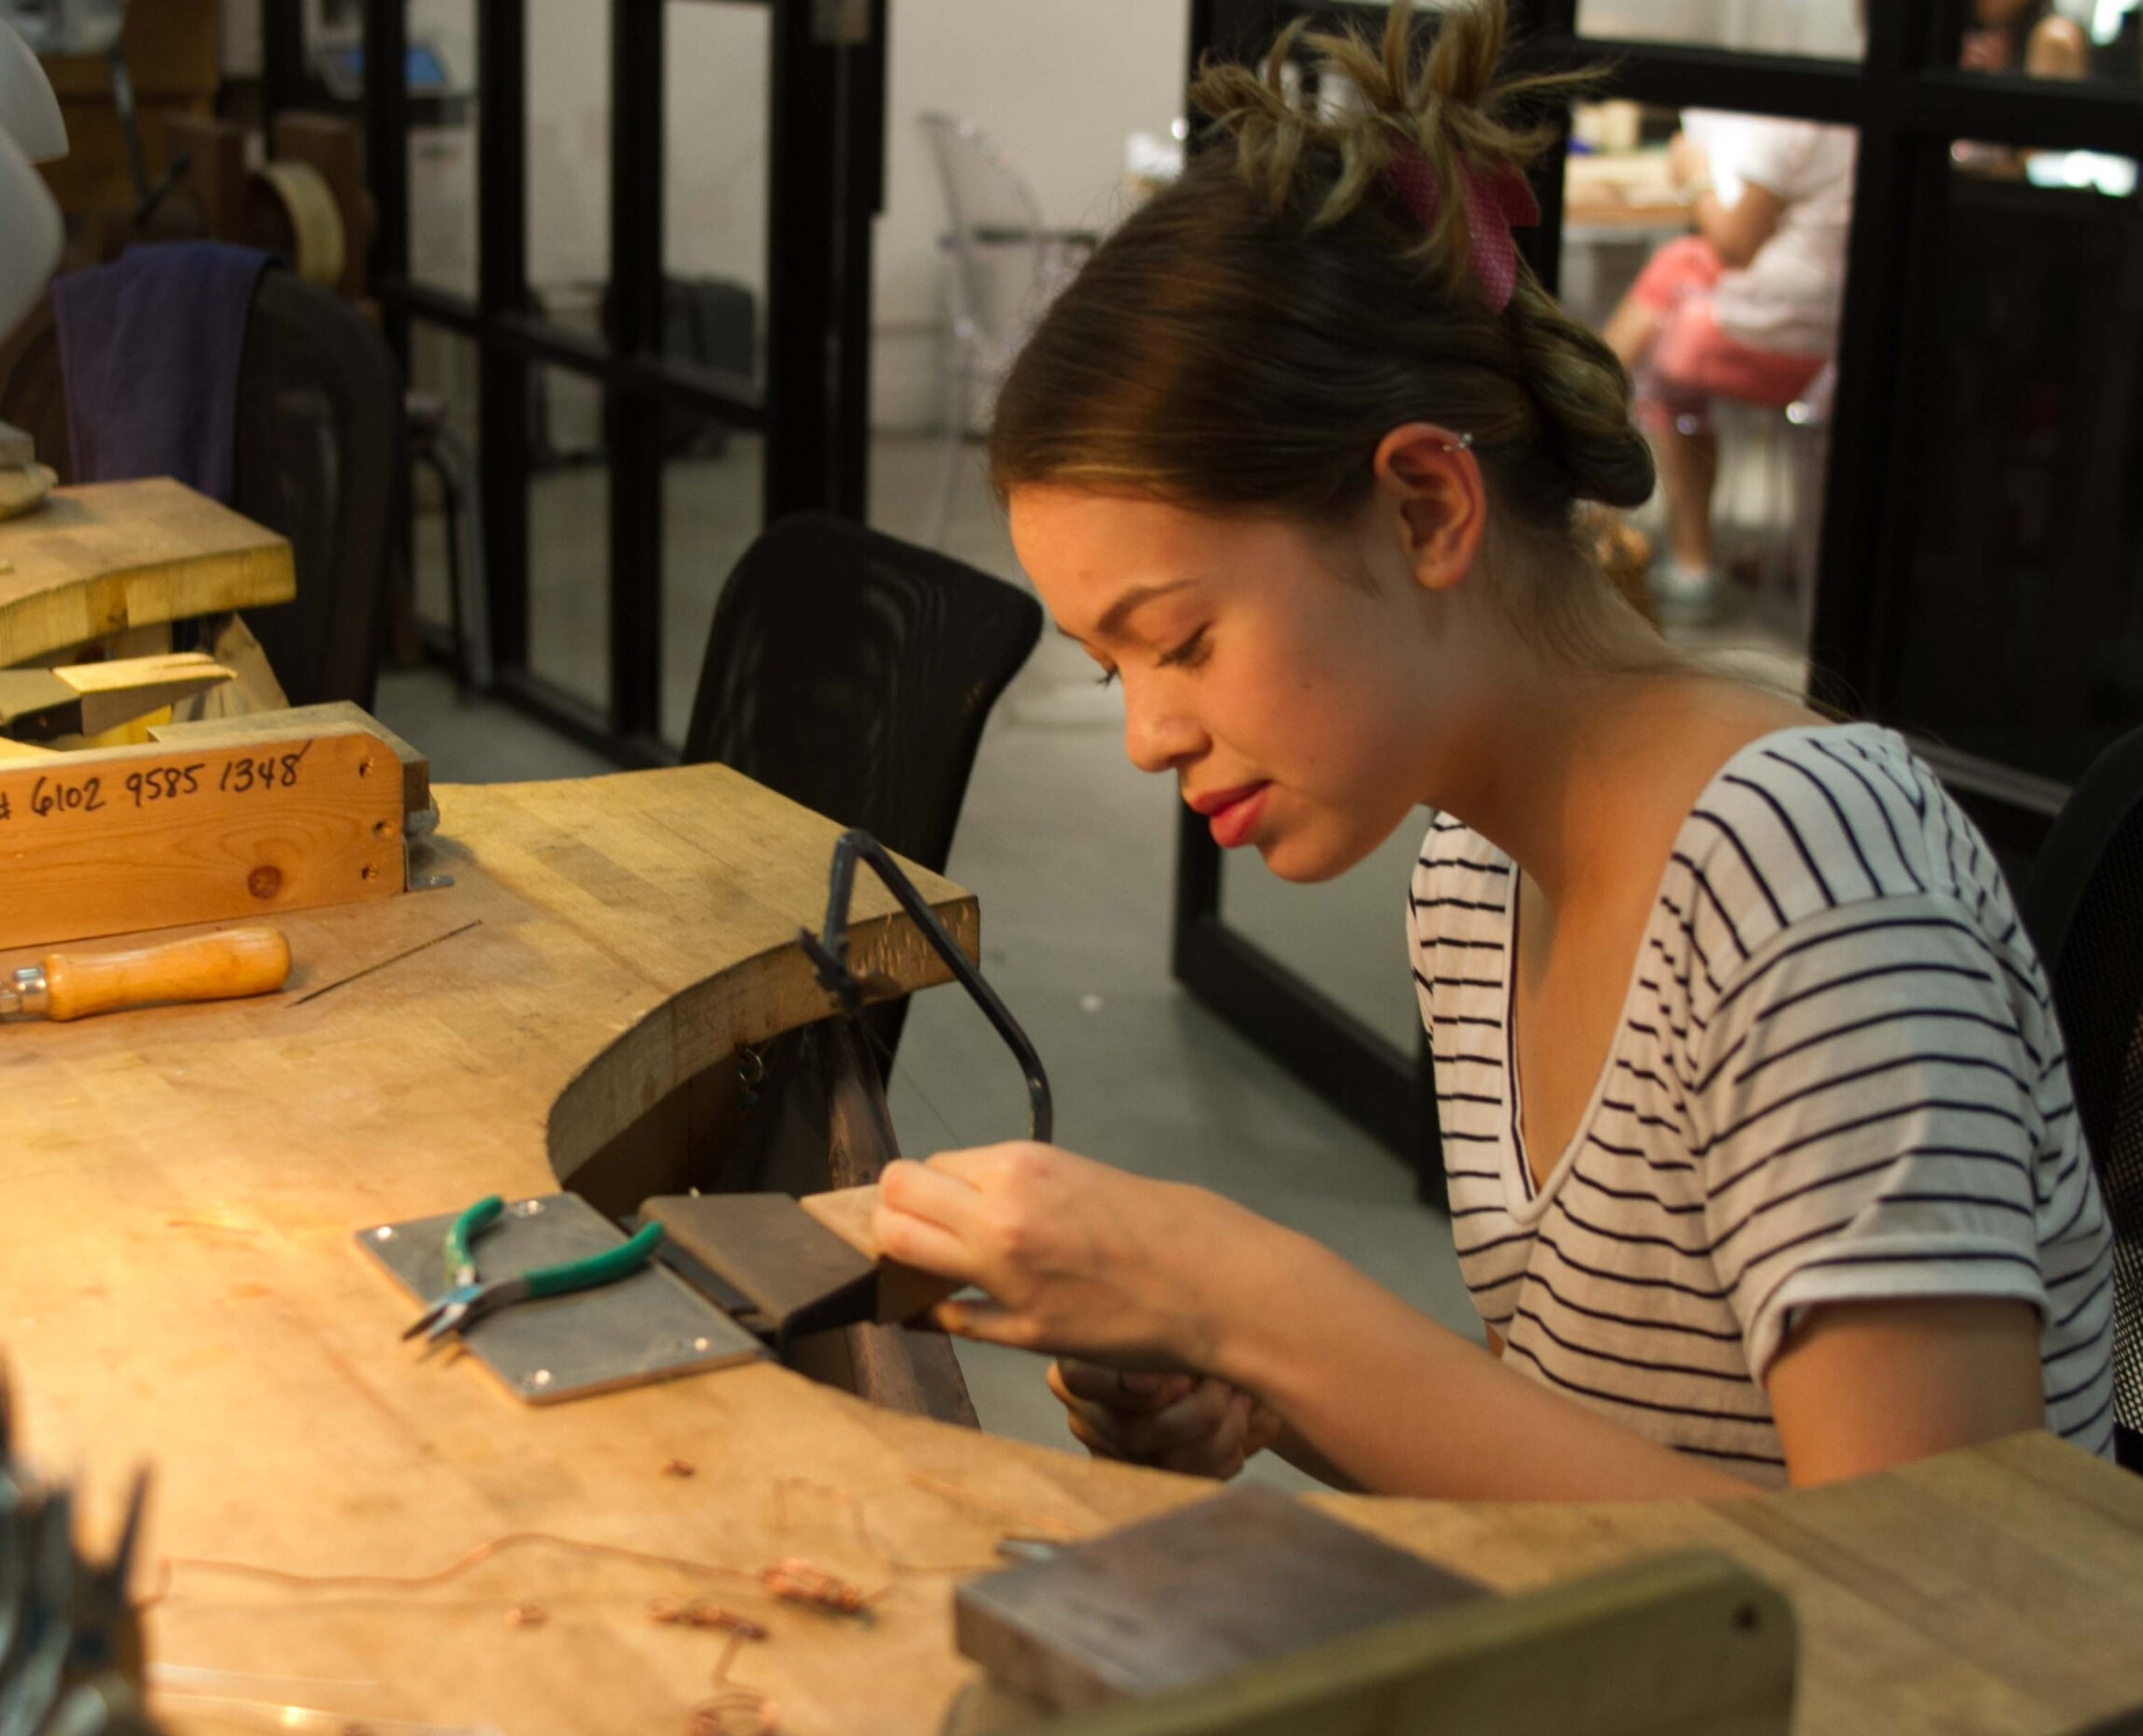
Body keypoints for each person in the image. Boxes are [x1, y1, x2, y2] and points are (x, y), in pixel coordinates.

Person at [869, 1, 2112, 1498]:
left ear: (1426, 511)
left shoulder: (1808, 881)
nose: (1149, 737)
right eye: (1112, 667)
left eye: (1182, 640)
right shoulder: (1473, 873)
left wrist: (1257, 1303)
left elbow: (1941, 1617)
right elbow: (1613, 1466)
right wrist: (1269, 1389)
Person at [1600, 113, 1855, 618]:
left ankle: (1686, 557)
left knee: (1667, 354)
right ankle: (1584, 406)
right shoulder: (1856, 120)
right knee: (1681, 267)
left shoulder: (1796, 126)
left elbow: (1735, 245)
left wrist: (1692, 173)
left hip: (1790, 337)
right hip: (1838, 324)